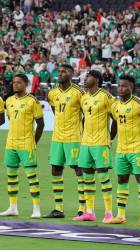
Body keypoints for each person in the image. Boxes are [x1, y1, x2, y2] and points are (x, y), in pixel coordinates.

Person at [109, 75, 140, 226]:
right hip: (121, 150)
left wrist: (137, 138)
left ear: (131, 87)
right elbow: (114, 123)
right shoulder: (114, 105)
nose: (121, 88)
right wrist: (110, 138)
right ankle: (120, 215)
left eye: (125, 86)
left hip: (137, 149)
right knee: (121, 180)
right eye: (119, 86)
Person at [43, 64, 85, 218]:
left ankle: (82, 207)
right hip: (57, 137)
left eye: (64, 71)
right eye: (59, 71)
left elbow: (85, 114)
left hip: (74, 137)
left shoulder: (79, 92)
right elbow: (55, 111)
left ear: (72, 74)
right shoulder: (52, 93)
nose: (60, 74)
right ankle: (58, 208)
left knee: (78, 169)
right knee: (55, 169)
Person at [0, 74, 44, 218]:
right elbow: (7, 119)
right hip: (11, 143)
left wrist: (34, 142)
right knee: (11, 176)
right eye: (14, 82)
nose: (15, 85)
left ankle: (36, 208)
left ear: (26, 84)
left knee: (32, 177)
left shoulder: (33, 101)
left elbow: (41, 124)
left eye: (19, 82)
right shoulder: (9, 101)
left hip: (26, 144)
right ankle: (13, 207)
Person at [73, 70, 114, 223]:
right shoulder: (84, 97)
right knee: (87, 175)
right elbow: (84, 118)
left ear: (96, 79)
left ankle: (109, 213)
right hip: (86, 143)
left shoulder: (106, 96)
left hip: (100, 142)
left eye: (88, 77)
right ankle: (89, 212)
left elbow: (115, 118)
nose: (85, 79)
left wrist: (110, 137)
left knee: (103, 175)